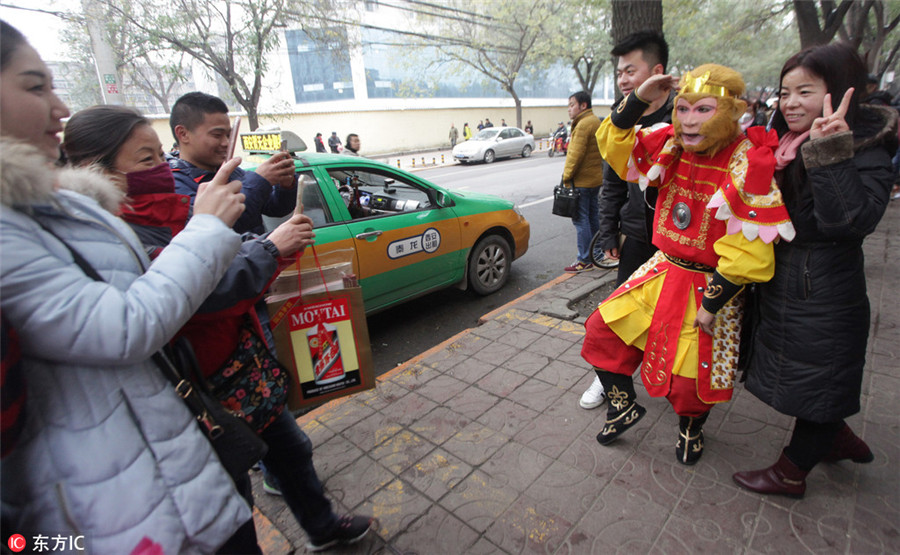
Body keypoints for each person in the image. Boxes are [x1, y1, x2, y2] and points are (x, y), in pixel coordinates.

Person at [62, 104, 375, 551]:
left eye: (158, 156)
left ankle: (322, 526)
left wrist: (271, 208)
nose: (161, 169)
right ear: (98, 171)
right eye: (147, 160)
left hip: (243, 364)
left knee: (292, 450)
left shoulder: (170, 204)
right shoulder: (115, 232)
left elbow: (228, 238)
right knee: (231, 502)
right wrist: (268, 245)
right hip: (197, 392)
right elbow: (191, 291)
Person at [0, 21, 251, 553]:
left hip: (168, 459)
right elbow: (126, 324)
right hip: (104, 516)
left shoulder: (65, 204)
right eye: (34, 86)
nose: (59, 107)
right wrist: (208, 229)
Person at [586, 63, 794, 465]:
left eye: (703, 110)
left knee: (690, 381)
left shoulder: (750, 162)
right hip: (662, 267)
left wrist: (713, 304)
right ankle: (623, 405)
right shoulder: (668, 142)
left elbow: (749, 250)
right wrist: (641, 98)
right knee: (601, 331)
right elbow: (614, 144)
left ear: (733, 111)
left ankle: (691, 428)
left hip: (712, 282)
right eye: (683, 109)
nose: (689, 121)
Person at [732, 43, 897, 498]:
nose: (790, 103)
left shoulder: (866, 150)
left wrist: (831, 150)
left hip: (822, 292)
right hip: (788, 285)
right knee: (815, 379)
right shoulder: (783, 146)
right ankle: (837, 437)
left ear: (840, 91)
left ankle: (790, 473)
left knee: (820, 379)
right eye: (785, 92)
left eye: (805, 91)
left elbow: (846, 223)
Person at [579, 30, 673, 410]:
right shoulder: (622, 122)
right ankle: (609, 378)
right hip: (637, 234)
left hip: (678, 241)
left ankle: (670, 379)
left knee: (670, 314)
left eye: (630, 70)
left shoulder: (686, 115)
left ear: (657, 71)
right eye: (619, 73)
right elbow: (612, 184)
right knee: (620, 313)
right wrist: (608, 234)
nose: (622, 80)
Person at [168, 92, 297, 235]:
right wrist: (260, 180)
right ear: (183, 134)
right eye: (217, 135)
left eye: (229, 135)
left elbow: (276, 208)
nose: (226, 143)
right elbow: (216, 231)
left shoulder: (232, 172)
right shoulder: (172, 186)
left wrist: (286, 185)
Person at [562, 91, 604, 274]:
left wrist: (565, 177)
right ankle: (598, 254)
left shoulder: (582, 125)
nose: (569, 109)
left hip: (582, 182)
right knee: (593, 218)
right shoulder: (595, 121)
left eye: (572, 105)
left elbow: (574, 156)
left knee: (581, 221)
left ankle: (584, 259)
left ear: (583, 105)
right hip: (595, 180)